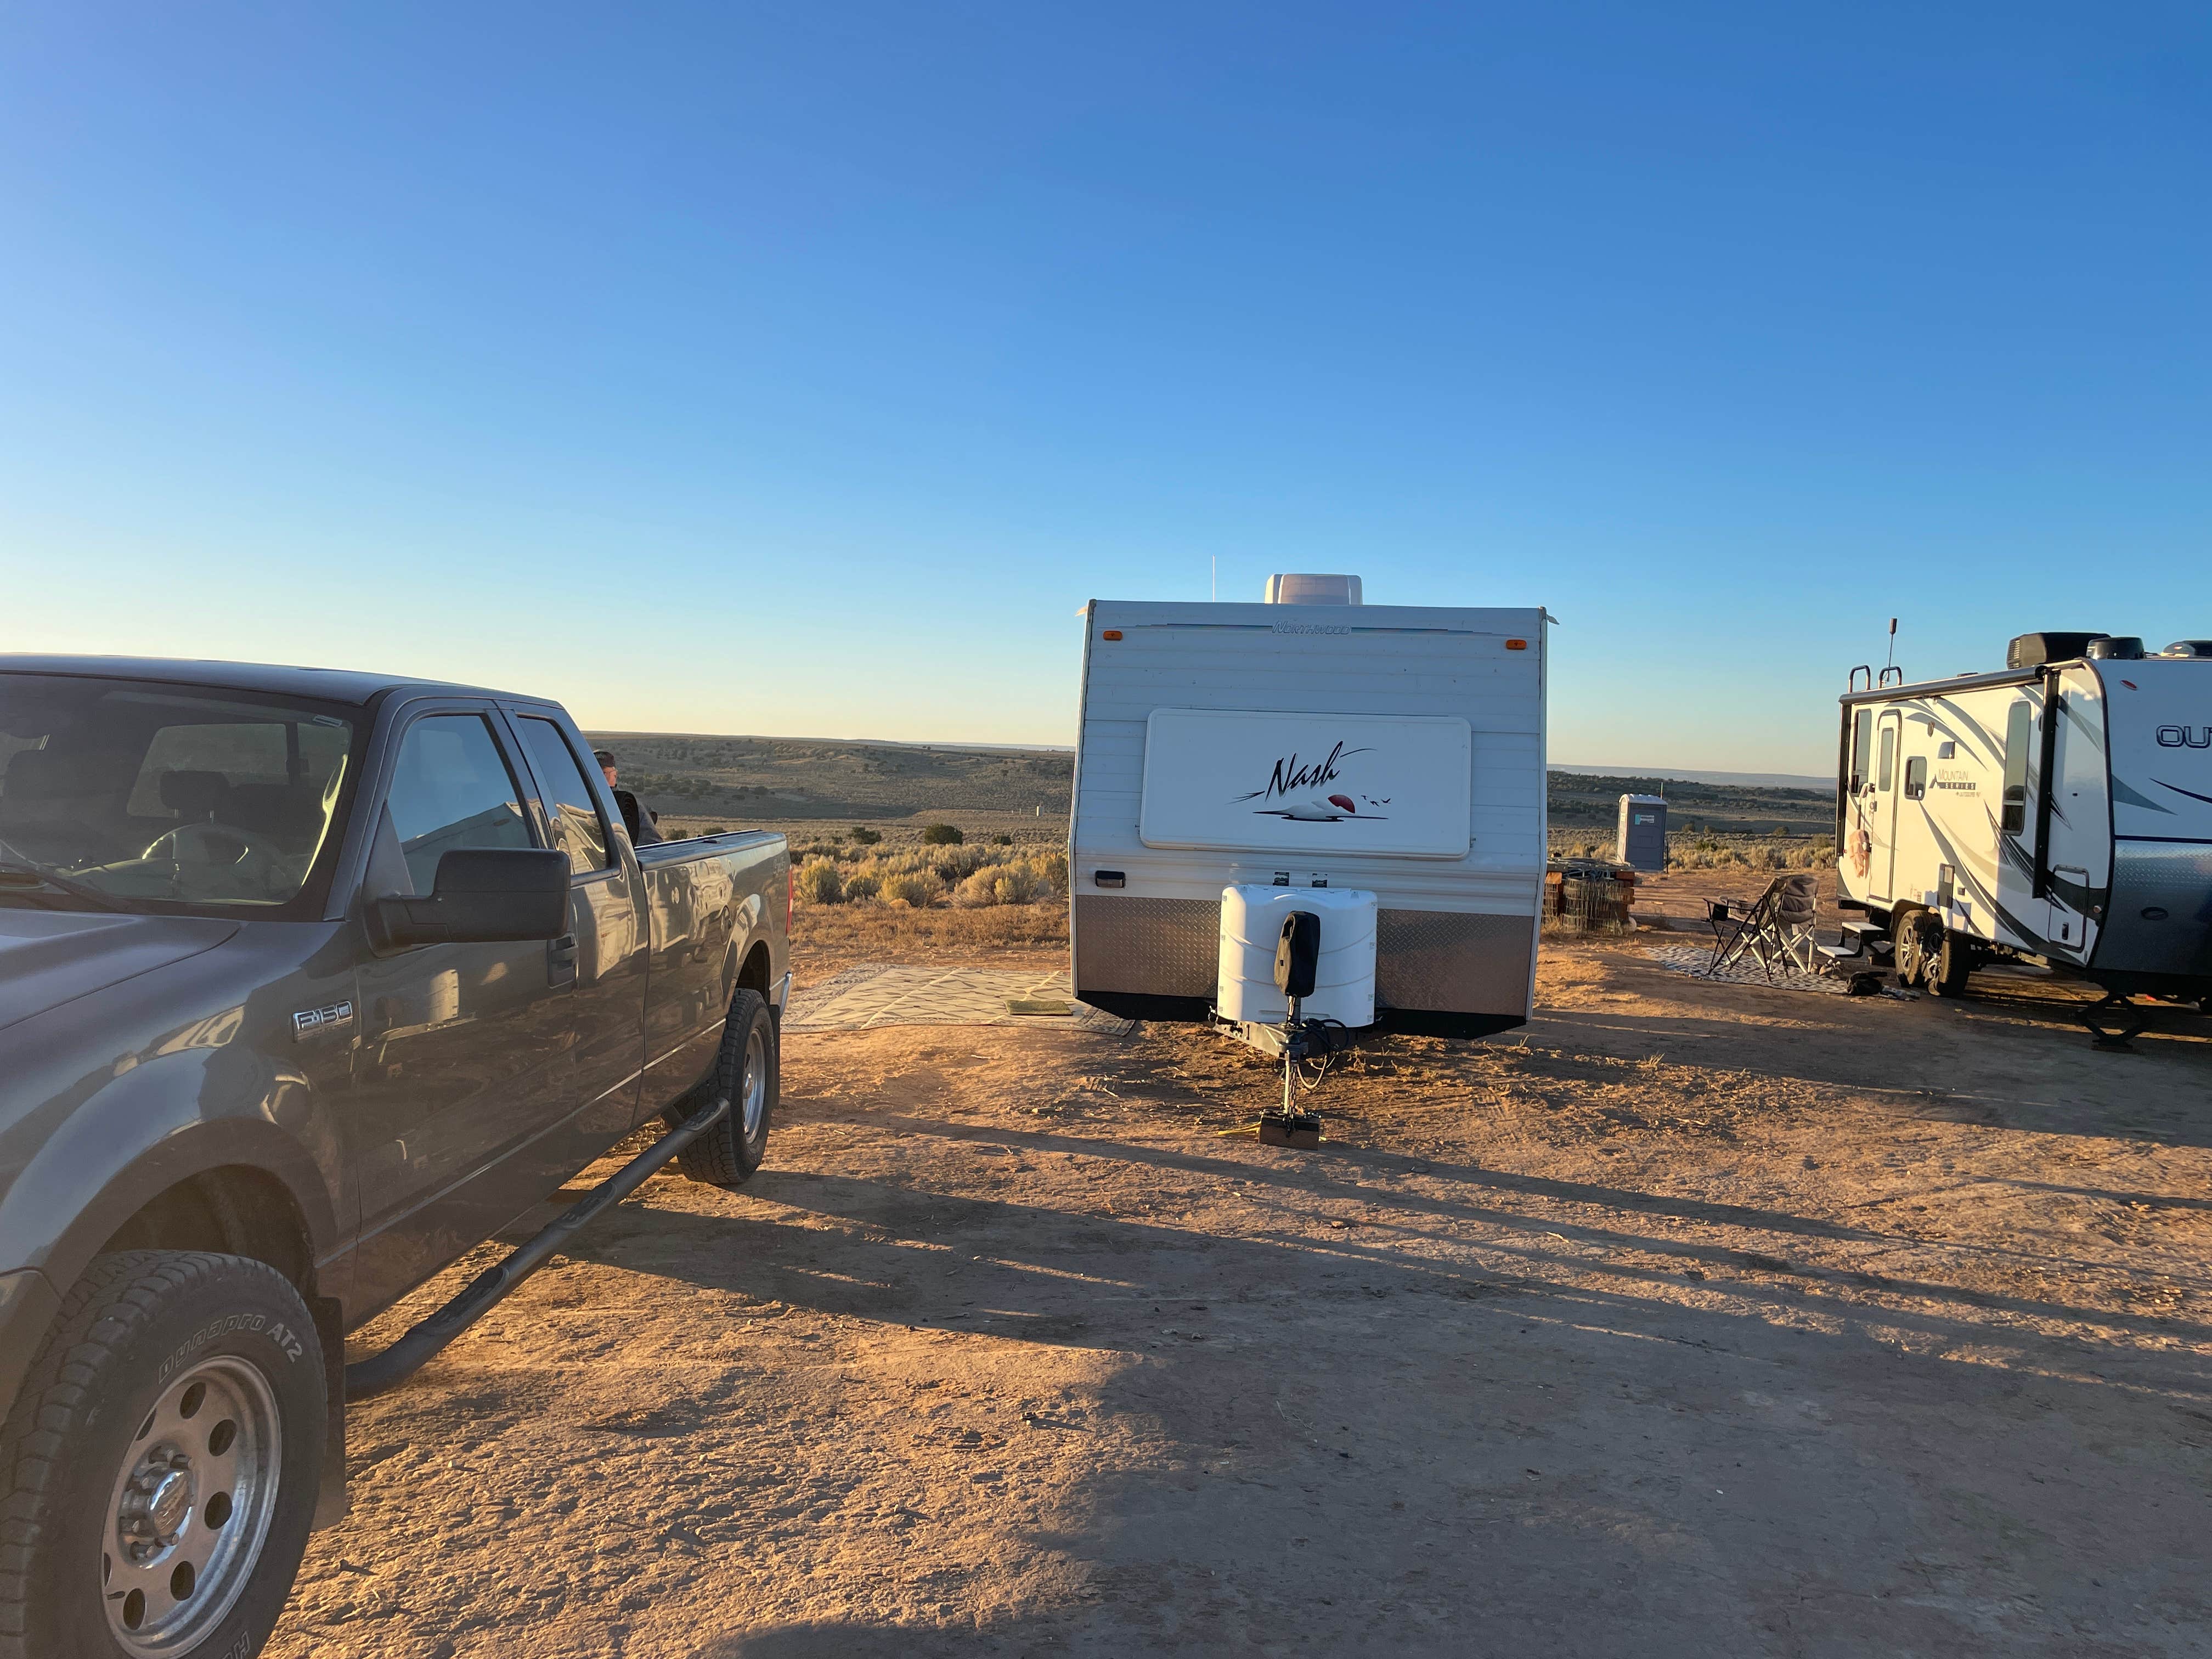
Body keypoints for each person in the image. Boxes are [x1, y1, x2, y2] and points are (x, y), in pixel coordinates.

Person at [593, 748, 662, 845]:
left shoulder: (628, 804)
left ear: (615, 775)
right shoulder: (583, 802)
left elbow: (651, 845)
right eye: (593, 773)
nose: (597, 777)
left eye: (603, 773)